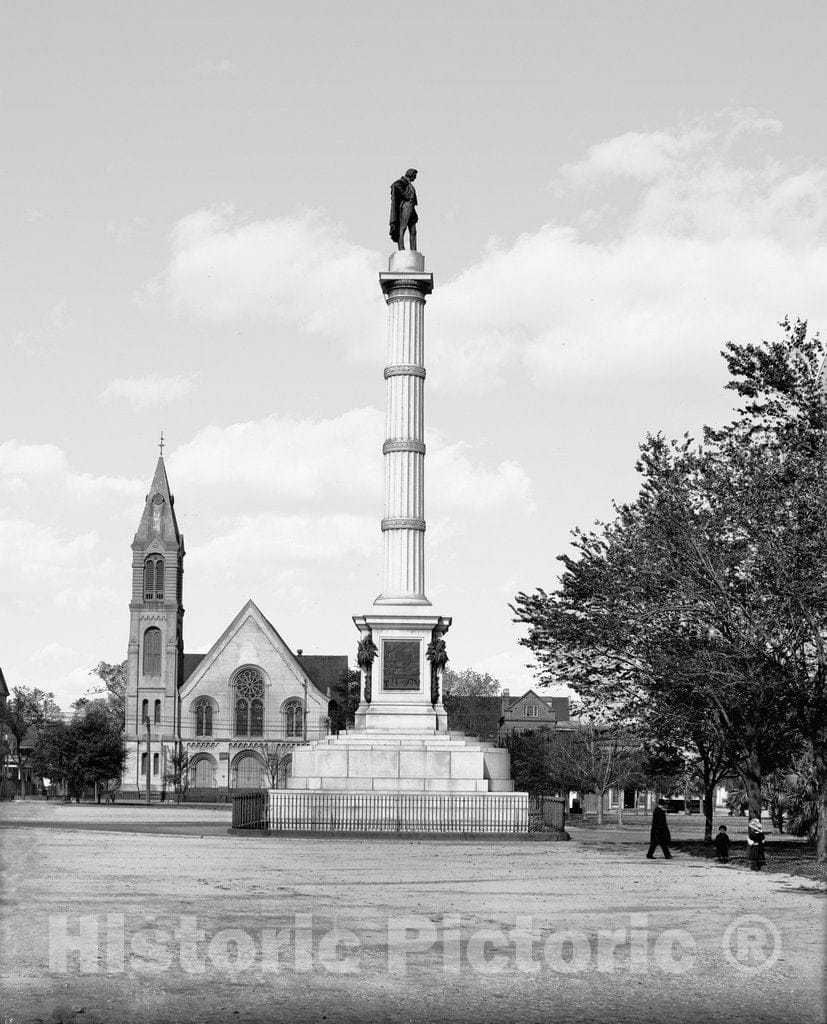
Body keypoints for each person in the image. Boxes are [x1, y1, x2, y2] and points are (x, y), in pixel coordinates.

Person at [389, 169, 419, 250]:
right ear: (411, 174)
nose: (415, 178)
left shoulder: (409, 183)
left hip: (411, 207)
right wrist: (406, 196)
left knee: (413, 230)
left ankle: (413, 249)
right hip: (406, 206)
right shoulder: (403, 181)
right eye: (414, 175)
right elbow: (395, 186)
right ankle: (401, 248)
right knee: (403, 227)